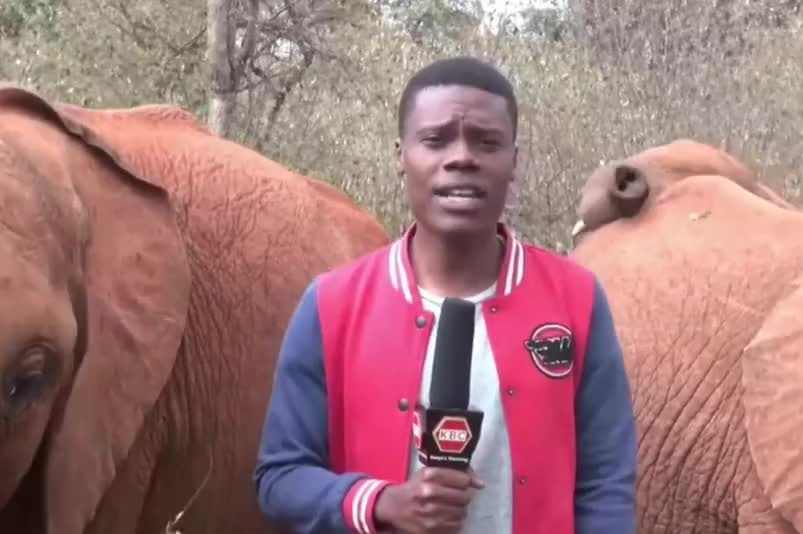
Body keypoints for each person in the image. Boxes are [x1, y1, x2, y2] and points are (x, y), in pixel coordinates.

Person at [253, 55, 638, 534]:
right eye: (435, 140)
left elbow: (606, 481)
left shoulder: (576, 300)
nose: (461, 158)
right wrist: (381, 502)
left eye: (487, 142)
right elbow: (279, 477)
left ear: (513, 162)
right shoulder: (333, 305)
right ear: (401, 156)